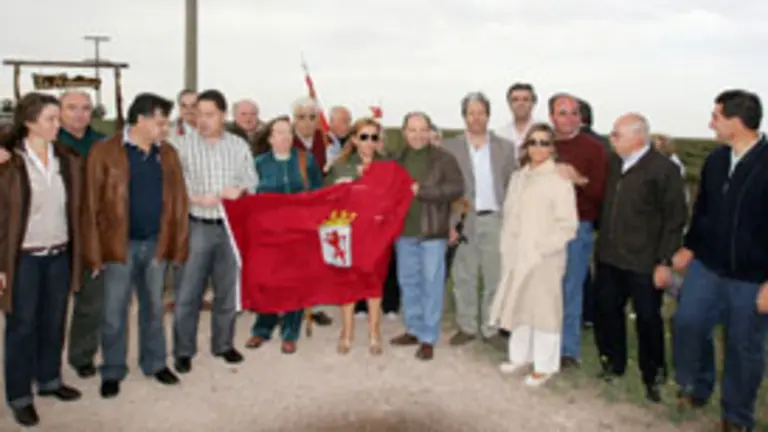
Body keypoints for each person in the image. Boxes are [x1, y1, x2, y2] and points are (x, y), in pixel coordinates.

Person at [81, 93, 188, 399]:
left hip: (156, 244)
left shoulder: (167, 154)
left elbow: (178, 201)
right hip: (118, 246)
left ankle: (155, 364)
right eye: (160, 122)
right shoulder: (104, 152)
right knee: (114, 312)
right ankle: (112, 370)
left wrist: (178, 244)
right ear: (140, 120)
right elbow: (90, 205)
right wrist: (94, 251)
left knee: (154, 309)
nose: (165, 128)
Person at [673, 89, 768, 432]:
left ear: (736, 121)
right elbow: (702, 212)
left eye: (716, 117)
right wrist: (690, 246)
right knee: (687, 322)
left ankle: (737, 416)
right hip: (707, 267)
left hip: (752, 277)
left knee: (744, 347)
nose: (710, 124)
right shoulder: (715, 160)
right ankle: (698, 386)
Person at [0, 93, 83, 427]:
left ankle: (49, 380)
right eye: (50, 118)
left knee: (53, 321)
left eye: (57, 118)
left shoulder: (66, 158)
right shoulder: (9, 164)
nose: (57, 124)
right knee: (22, 328)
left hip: (59, 255)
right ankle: (20, 396)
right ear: (30, 122)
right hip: (24, 259)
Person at [593, 113, 687, 403]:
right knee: (607, 312)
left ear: (637, 138)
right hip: (610, 257)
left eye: (616, 134)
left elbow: (675, 218)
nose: (611, 139)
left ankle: (654, 376)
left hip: (644, 262)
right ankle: (613, 364)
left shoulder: (663, 169)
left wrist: (664, 261)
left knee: (648, 319)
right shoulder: (614, 163)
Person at [172, 90, 257, 373]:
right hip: (197, 225)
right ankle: (183, 350)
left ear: (223, 115)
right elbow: (173, 187)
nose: (203, 121)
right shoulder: (181, 146)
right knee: (188, 293)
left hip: (230, 229)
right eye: (199, 115)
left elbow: (251, 179)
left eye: (209, 115)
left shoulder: (237, 145)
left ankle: (223, 344)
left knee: (227, 291)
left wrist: (241, 190)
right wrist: (196, 198)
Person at [489, 123, 578, 386]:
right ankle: (520, 357)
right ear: (526, 146)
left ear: (552, 148)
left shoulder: (559, 180)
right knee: (518, 305)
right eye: (533, 142)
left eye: (544, 143)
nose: (538, 148)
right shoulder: (519, 177)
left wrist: (542, 249)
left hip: (544, 258)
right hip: (516, 254)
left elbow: (567, 224)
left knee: (544, 310)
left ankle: (545, 364)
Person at [441, 92, 516, 350]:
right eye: (471, 113)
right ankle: (467, 326)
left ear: (488, 115)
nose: (476, 118)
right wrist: (449, 223)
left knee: (495, 276)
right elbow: (445, 187)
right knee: (464, 274)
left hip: (494, 218)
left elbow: (511, 185)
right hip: (463, 219)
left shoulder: (505, 148)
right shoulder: (449, 148)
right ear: (464, 116)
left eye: (481, 113)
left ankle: (492, 328)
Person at [389, 111, 465, 361]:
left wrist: (423, 191)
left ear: (429, 130)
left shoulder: (444, 159)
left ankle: (428, 337)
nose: (418, 135)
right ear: (404, 132)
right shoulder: (396, 159)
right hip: (403, 232)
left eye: (423, 129)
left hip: (432, 232)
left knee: (431, 284)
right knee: (408, 282)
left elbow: (456, 188)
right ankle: (413, 328)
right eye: (413, 130)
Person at [245, 116, 323, 354]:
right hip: (268, 234)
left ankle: (290, 333)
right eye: (279, 133)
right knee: (268, 281)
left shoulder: (304, 159)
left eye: (289, 133)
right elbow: (249, 196)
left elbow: (318, 191)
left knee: (294, 282)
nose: (285, 138)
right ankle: (262, 329)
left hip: (298, 232)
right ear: (270, 138)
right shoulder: (258, 163)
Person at [549, 93, 609, 369]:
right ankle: (542, 343)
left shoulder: (594, 148)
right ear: (552, 117)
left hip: (576, 228)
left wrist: (579, 179)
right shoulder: (541, 144)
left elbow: (601, 194)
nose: (569, 118)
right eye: (563, 113)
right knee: (543, 287)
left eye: (574, 113)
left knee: (571, 287)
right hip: (543, 228)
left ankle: (568, 350)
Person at [325, 117, 389, 355]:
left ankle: (374, 333)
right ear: (353, 139)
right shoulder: (340, 165)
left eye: (374, 137)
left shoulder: (387, 165)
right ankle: (347, 331)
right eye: (364, 136)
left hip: (376, 233)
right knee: (348, 283)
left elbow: (394, 197)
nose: (369, 142)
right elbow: (326, 196)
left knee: (374, 282)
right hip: (348, 232)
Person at [56, 90, 108, 379]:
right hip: (56, 233)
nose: (79, 114)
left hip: (92, 234)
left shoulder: (102, 143)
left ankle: (82, 355)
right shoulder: (48, 142)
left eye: (86, 108)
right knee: (52, 305)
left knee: (91, 301)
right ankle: (47, 364)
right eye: (72, 108)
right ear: (60, 110)